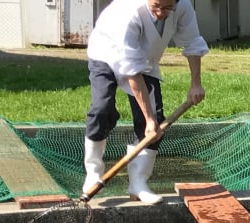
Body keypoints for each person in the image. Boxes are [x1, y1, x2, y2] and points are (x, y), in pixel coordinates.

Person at [82, 0, 209, 204]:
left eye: (168, 8)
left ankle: (138, 184)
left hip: (146, 59)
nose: (161, 13)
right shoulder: (128, 13)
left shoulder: (184, 7)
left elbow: (192, 42)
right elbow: (131, 70)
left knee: (156, 123)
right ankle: (93, 173)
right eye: (156, 6)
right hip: (105, 55)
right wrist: (148, 119)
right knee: (101, 110)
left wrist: (196, 84)